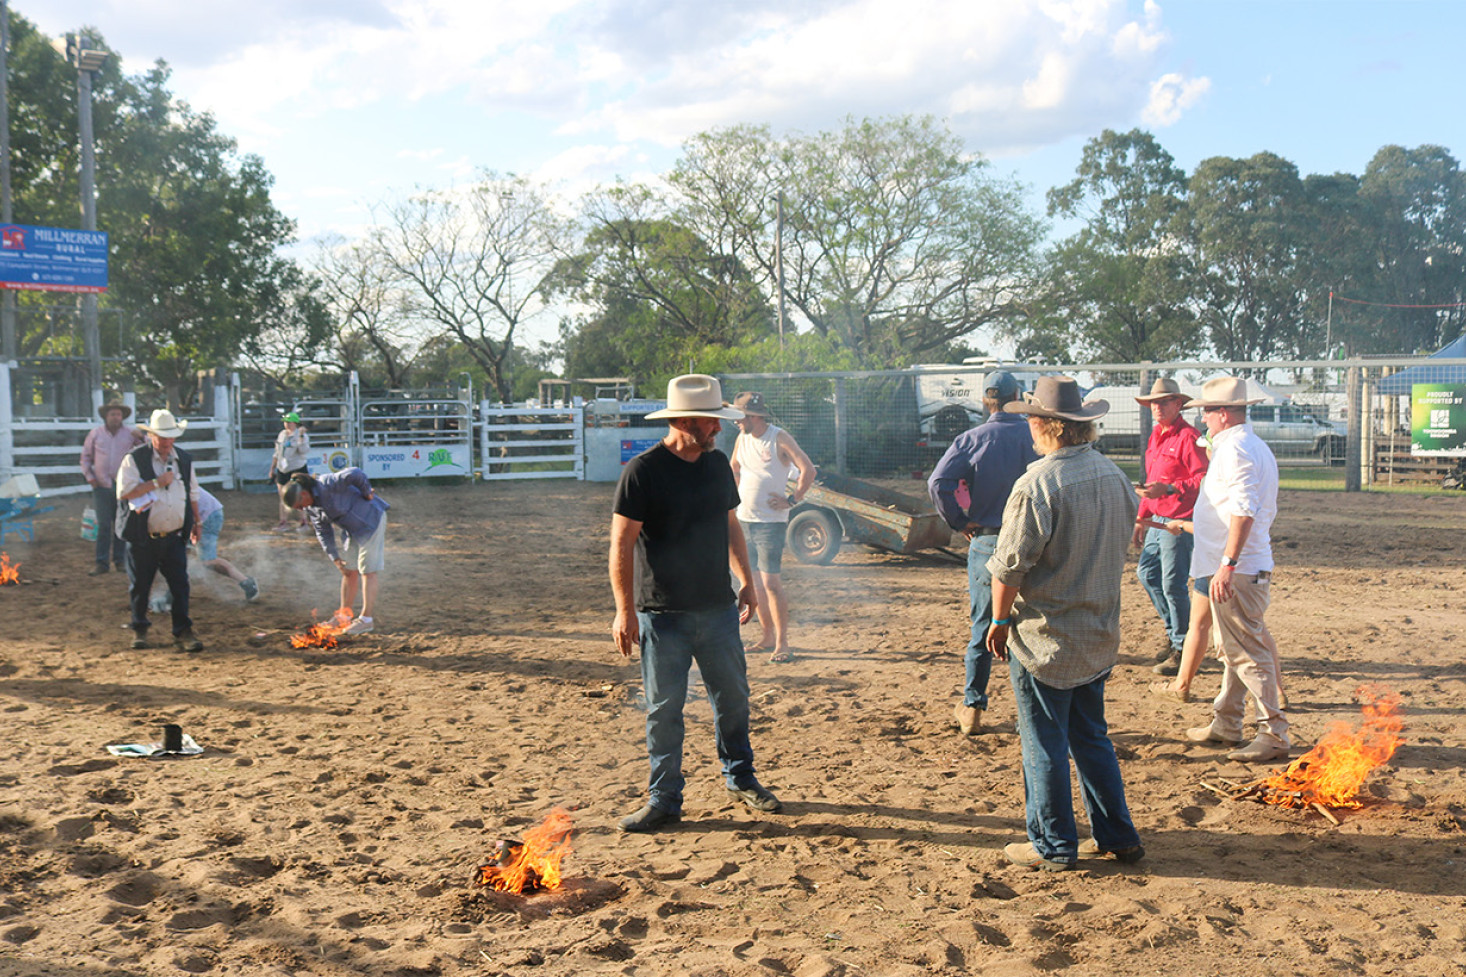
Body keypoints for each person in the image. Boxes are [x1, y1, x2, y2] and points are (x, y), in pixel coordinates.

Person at [983, 376, 1144, 871]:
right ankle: (1117, 833)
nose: (1028, 424)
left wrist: (998, 618)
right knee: (1091, 735)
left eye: (1032, 417)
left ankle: (1052, 844)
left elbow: (1009, 566)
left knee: (1044, 742)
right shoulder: (1113, 476)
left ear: (1046, 425)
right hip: (1097, 631)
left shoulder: (1037, 484)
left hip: (1046, 637)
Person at [610, 374, 779, 833]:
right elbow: (621, 544)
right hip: (662, 614)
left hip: (718, 609)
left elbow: (731, 526)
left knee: (734, 699)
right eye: (712, 422)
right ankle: (664, 798)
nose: (720, 430)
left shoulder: (717, 465)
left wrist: (747, 581)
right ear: (685, 421)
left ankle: (740, 777)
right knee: (664, 710)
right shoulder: (642, 471)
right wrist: (625, 610)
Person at [1182, 377, 1290, 764]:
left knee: (1246, 651)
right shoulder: (1247, 446)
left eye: (1207, 412)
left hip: (1237, 568)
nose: (1203, 419)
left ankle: (1273, 731)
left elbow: (1244, 509)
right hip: (1240, 566)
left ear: (1223, 414)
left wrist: (1227, 565)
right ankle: (1227, 722)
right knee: (1236, 648)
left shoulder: (1235, 450)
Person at [927, 371, 1038, 736]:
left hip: (988, 540)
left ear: (986, 401)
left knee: (983, 626)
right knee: (1027, 628)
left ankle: (973, 705)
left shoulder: (971, 439)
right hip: (1035, 540)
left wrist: (960, 522)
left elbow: (938, 483)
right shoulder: (1035, 435)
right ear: (1017, 396)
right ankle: (1030, 714)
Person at [729, 391, 816, 664]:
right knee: (753, 584)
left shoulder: (779, 437)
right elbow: (734, 467)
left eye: (740, 418)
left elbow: (808, 469)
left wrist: (792, 499)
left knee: (771, 583)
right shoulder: (741, 439)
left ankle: (782, 643)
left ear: (754, 416)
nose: (737, 423)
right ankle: (766, 637)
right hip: (745, 520)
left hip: (770, 524)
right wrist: (732, 499)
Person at [1130, 379, 1209, 677]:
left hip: (1178, 519)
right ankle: (1178, 636)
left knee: (1171, 584)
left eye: (1163, 401)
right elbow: (1153, 480)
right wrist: (1143, 516)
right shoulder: (1157, 436)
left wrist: (1170, 488)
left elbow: (1202, 479)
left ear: (1178, 404)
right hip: (1160, 519)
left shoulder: (1188, 437)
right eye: (1154, 402)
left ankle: (1181, 646)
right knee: (1148, 574)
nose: (1157, 407)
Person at [116, 409, 204, 653]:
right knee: (140, 586)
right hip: (143, 536)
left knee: (179, 585)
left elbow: (192, 493)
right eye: (162, 436)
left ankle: (182, 631)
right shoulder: (134, 459)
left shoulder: (184, 460)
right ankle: (139, 629)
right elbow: (124, 493)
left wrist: (196, 522)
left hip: (174, 534)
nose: (166, 442)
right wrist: (156, 483)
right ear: (151, 436)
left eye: (170, 436)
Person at [284, 469, 388, 635]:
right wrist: (335, 557)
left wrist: (367, 492)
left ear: (304, 494)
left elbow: (355, 473)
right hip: (352, 529)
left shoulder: (327, 483)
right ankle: (343, 616)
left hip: (371, 521)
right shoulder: (311, 507)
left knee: (367, 570)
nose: (301, 510)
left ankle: (366, 620)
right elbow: (323, 531)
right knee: (348, 571)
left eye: (300, 505)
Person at [147, 486, 260, 610]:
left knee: (206, 560)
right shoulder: (165, 482)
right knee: (187, 559)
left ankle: (170, 597)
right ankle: (171, 596)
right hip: (203, 515)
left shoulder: (163, 488)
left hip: (205, 516)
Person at [80, 401, 144, 576]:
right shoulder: (95, 434)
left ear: (122, 416)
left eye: (118, 414)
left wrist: (143, 437)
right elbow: (85, 457)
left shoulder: (131, 434)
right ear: (106, 417)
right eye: (112, 414)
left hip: (123, 485)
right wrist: (90, 477)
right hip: (101, 484)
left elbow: (146, 449)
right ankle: (101, 562)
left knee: (120, 524)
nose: (115, 417)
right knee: (103, 525)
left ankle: (120, 560)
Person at [269, 412, 311, 532]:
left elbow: (304, 451)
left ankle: (303, 522)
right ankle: (283, 522)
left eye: (289, 422)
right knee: (282, 496)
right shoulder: (282, 434)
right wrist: (272, 468)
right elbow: (277, 452)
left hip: (297, 468)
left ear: (295, 423)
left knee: (300, 495)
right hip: (283, 468)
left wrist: (301, 437)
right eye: (285, 422)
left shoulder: (301, 435)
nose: (286, 424)